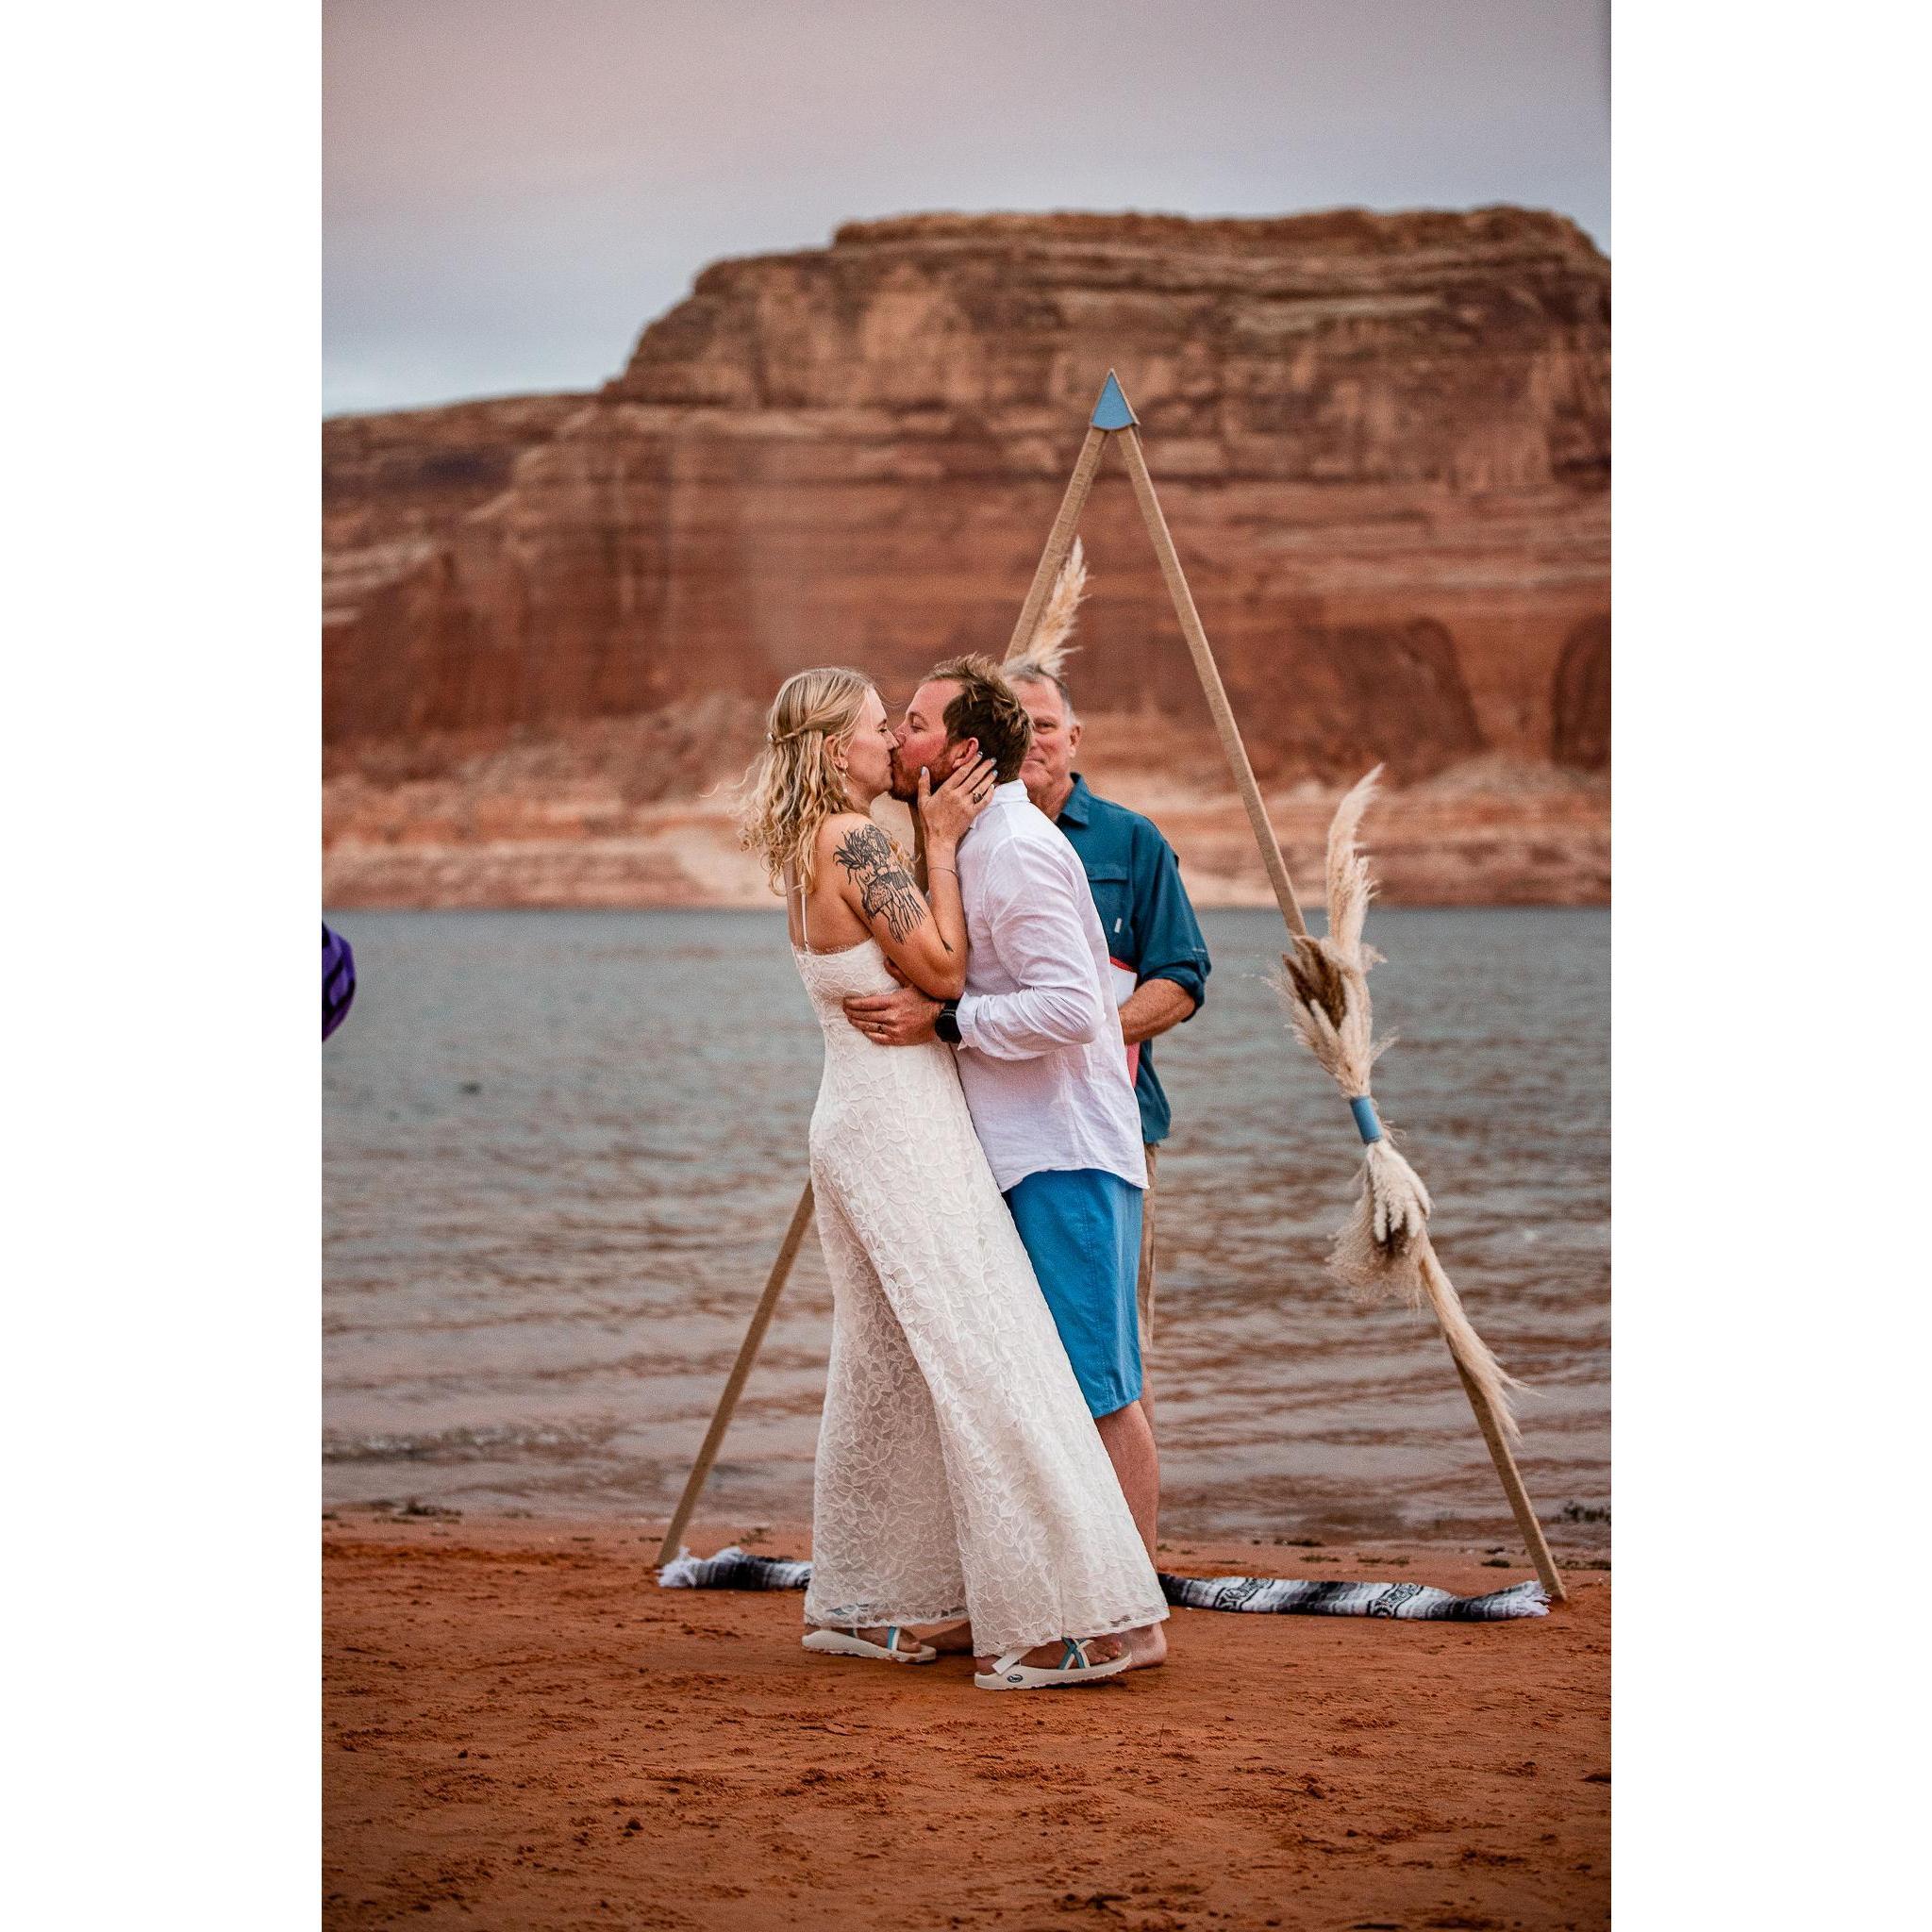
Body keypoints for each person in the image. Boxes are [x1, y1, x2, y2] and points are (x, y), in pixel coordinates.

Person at [738, 665, 1167, 1691]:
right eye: (874, 725)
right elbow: (937, 972)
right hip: (897, 1123)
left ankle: (871, 1596)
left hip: (861, 1115)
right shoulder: (855, 839)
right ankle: (1044, 1611)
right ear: (835, 750)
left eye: (904, 720)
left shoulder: (805, 844)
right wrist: (933, 847)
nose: (889, 737)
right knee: (985, 1350)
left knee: (886, 1363)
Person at [1000, 654, 1210, 1386]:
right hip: (996, 1134)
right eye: (1016, 724)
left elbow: (1182, 979)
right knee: (1007, 1340)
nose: (1033, 739)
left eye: (1047, 725)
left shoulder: (1132, 842)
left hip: (1115, 1127)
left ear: (1076, 737)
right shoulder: (963, 839)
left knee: (1114, 1349)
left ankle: (1119, 1505)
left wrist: (1081, 1035)